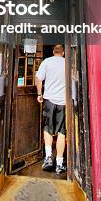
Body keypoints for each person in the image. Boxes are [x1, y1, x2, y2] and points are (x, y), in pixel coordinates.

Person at [35, 43, 66, 175]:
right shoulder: (68, 63)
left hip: (49, 100)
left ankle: (48, 158)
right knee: (61, 132)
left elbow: (38, 79)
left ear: (53, 51)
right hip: (64, 102)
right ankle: (59, 164)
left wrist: (39, 94)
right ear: (63, 53)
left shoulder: (46, 62)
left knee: (48, 128)